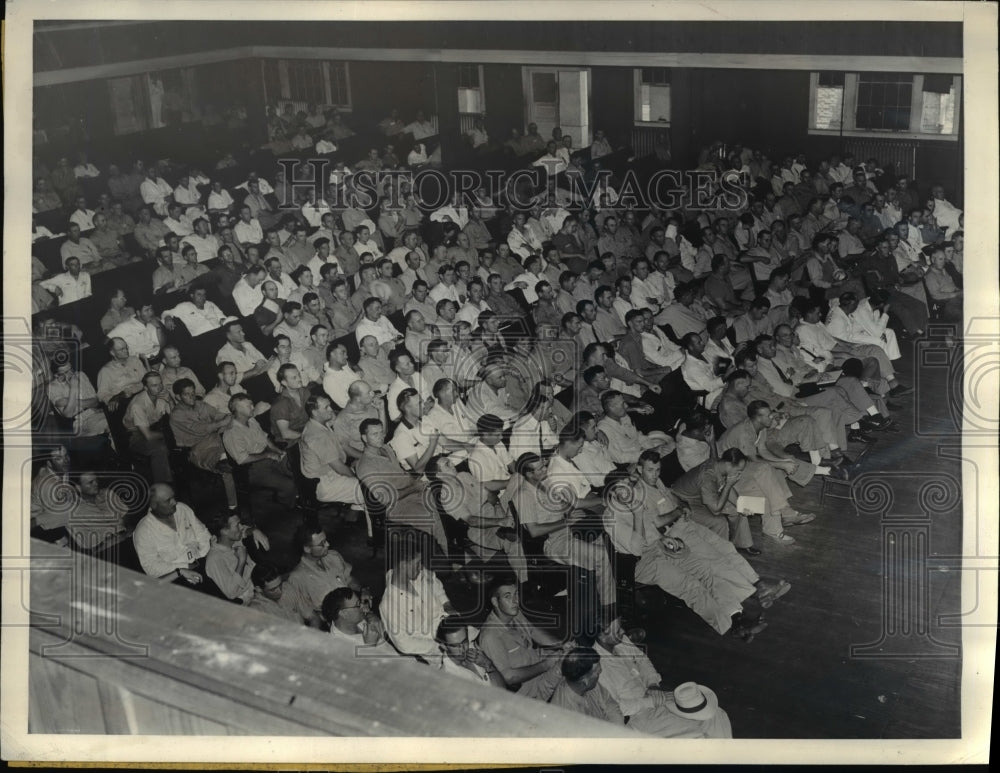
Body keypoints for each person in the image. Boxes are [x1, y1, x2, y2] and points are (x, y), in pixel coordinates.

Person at [606, 456, 785, 638]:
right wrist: (638, 517)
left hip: (660, 547)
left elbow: (653, 530)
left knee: (706, 571)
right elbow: (636, 549)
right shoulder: (611, 518)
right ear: (612, 493)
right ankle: (732, 626)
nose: (629, 491)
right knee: (691, 586)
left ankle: (738, 617)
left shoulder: (633, 501)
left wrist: (665, 539)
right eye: (623, 489)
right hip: (642, 562)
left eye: (629, 485)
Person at [506, 452, 615, 614]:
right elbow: (534, 531)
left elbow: (561, 506)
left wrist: (570, 512)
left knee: (604, 533)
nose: (545, 469)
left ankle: (600, 592)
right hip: (554, 541)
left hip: (569, 530)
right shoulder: (524, 495)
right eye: (540, 468)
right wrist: (566, 521)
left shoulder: (544, 484)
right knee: (601, 556)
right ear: (529, 474)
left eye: (543, 465)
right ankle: (609, 609)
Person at [356, 418, 448, 552]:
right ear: (364, 438)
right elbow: (385, 499)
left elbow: (401, 474)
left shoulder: (386, 448)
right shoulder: (366, 466)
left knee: (445, 502)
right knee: (431, 519)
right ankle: (443, 560)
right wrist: (414, 487)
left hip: (413, 491)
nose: (381, 437)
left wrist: (417, 483)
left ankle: (451, 549)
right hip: (397, 505)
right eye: (374, 434)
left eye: (382, 432)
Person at [476, 574, 570, 701]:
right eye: (507, 596)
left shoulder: (513, 612)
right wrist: (546, 665)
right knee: (578, 673)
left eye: (516, 594)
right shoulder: (490, 636)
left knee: (577, 656)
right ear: (495, 602)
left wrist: (561, 644)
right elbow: (508, 677)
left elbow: (532, 631)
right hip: (531, 693)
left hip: (537, 664)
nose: (515, 601)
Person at [379, 530, 455, 658]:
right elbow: (404, 644)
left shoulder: (418, 574)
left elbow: (436, 585)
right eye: (417, 563)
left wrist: (447, 604)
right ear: (403, 565)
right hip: (436, 651)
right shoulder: (389, 605)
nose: (421, 567)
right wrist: (441, 648)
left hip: (452, 628)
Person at [222, 394, 297, 508]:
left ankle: (297, 496)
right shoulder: (232, 432)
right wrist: (267, 455)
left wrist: (279, 451)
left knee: (297, 469)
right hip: (252, 468)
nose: (253, 407)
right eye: (249, 406)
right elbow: (242, 459)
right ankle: (284, 502)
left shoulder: (251, 420)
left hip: (267, 456)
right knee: (289, 485)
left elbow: (265, 439)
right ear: (237, 409)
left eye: (252, 404)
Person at [286, 522, 365, 627]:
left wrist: (364, 591)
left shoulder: (333, 556)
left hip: (356, 609)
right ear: (307, 549)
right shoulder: (297, 578)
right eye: (322, 543)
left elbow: (349, 579)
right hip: (336, 623)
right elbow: (311, 616)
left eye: (326, 540)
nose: (327, 544)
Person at [132, 484, 210, 585]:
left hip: (203, 561)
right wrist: (182, 568)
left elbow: (202, 532)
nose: (174, 502)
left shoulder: (182, 509)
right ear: (154, 505)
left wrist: (204, 555)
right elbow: (151, 568)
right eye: (168, 500)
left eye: (173, 497)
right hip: (177, 577)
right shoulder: (143, 532)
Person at [299, 394, 365, 507]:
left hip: (331, 473)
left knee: (370, 474)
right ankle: (374, 520)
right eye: (326, 407)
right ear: (315, 412)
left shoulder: (318, 423)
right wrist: (357, 479)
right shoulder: (317, 435)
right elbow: (339, 467)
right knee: (370, 490)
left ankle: (356, 511)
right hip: (324, 483)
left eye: (329, 405)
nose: (331, 409)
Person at [123, 371, 173, 484]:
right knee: (160, 448)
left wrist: (170, 400)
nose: (159, 388)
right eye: (154, 385)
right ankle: (164, 485)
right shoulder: (138, 404)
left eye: (160, 383)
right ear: (145, 388)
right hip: (136, 435)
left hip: (156, 427)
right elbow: (148, 436)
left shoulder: (162, 394)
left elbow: (174, 417)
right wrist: (170, 435)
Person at [322, 587, 396, 656]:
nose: (362, 606)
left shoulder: (354, 619)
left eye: (360, 602)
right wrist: (370, 646)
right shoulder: (339, 647)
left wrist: (372, 616)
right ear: (344, 613)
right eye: (357, 605)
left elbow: (367, 614)